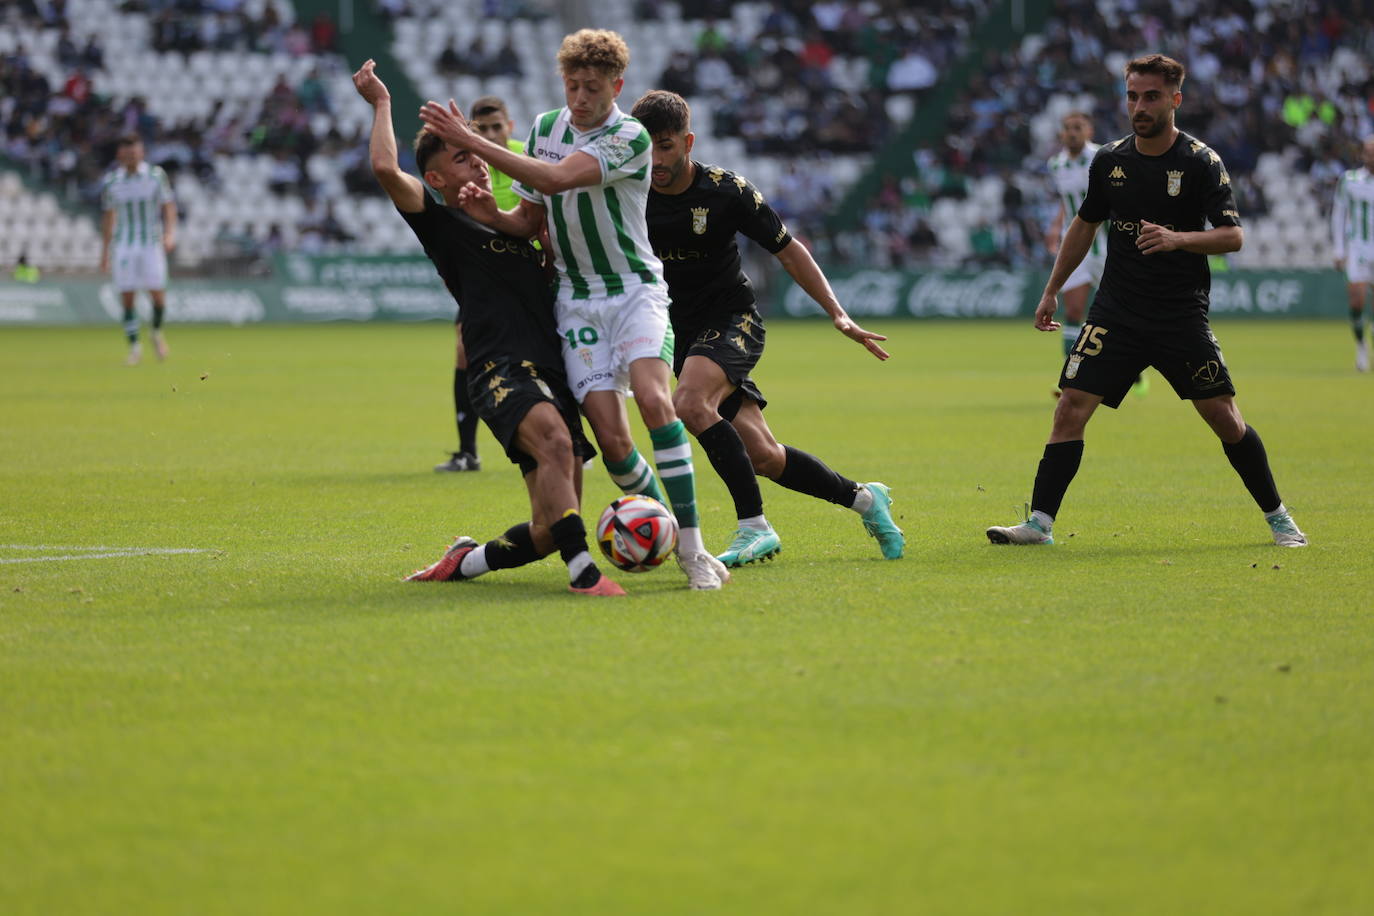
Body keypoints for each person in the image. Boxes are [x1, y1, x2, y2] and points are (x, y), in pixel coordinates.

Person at [419, 28, 730, 590]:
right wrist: (492, 214)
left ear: (617, 85)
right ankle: (655, 526)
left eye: (592, 87)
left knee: (658, 401)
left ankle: (692, 550)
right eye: (572, 85)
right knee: (613, 444)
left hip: (634, 288)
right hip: (577, 300)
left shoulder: (629, 136)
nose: (580, 97)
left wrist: (469, 138)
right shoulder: (543, 129)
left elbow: (558, 177)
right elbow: (530, 222)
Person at [986, 54, 1307, 549]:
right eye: (1133, 95)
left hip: (1179, 313)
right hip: (1116, 311)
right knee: (1070, 406)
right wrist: (1052, 289)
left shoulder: (1202, 162)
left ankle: (1279, 517)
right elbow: (1084, 225)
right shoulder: (1110, 161)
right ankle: (1040, 524)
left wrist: (1179, 240)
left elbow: (1232, 237)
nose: (1139, 105)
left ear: (1175, 99)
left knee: (1223, 417)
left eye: (1151, 96)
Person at [350, 59, 623, 596]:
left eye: (477, 153)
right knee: (554, 445)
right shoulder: (441, 223)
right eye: (461, 156)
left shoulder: (518, 220)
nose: (477, 164)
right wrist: (382, 104)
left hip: (554, 371)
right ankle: (584, 574)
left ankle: (465, 561)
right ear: (435, 179)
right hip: (499, 366)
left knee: (548, 529)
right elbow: (385, 169)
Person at [629, 89, 905, 566]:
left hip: (733, 320)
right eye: (646, 146)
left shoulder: (726, 191)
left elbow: (789, 249)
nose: (655, 159)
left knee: (690, 403)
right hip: (677, 333)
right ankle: (865, 499)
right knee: (763, 456)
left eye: (666, 146)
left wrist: (837, 313)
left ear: (688, 142)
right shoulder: (627, 194)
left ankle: (754, 527)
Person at [435, 95, 527, 474]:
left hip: (529, 268)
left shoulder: (528, 155)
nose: (489, 135)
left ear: (509, 127)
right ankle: (467, 452)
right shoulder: (466, 164)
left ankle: (570, 439)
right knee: (463, 349)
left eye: (495, 127)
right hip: (485, 272)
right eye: (481, 129)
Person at [1046, 111, 1147, 400]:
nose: (1072, 133)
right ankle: (1071, 379)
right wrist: (1055, 227)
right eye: (1067, 128)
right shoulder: (1056, 164)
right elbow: (1068, 203)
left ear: (1089, 130)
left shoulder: (1104, 157)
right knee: (1074, 311)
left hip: (1107, 247)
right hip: (1075, 247)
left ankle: (1132, 364)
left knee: (1123, 311)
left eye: (1077, 127)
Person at [100, 134, 176, 366]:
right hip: (124, 245)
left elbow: (168, 206)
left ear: (142, 153)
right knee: (128, 297)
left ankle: (155, 331)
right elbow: (109, 216)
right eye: (127, 152)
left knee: (158, 296)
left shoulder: (155, 176)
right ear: (120, 155)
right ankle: (134, 347)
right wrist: (104, 251)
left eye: (135, 151)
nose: (132, 156)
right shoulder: (112, 181)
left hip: (151, 244)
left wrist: (170, 233)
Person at [1331, 134, 1374, 372]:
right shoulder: (1350, 180)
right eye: (1368, 151)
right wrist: (1339, 249)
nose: (1370, 156)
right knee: (1357, 300)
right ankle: (1361, 346)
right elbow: (1338, 214)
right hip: (1359, 248)